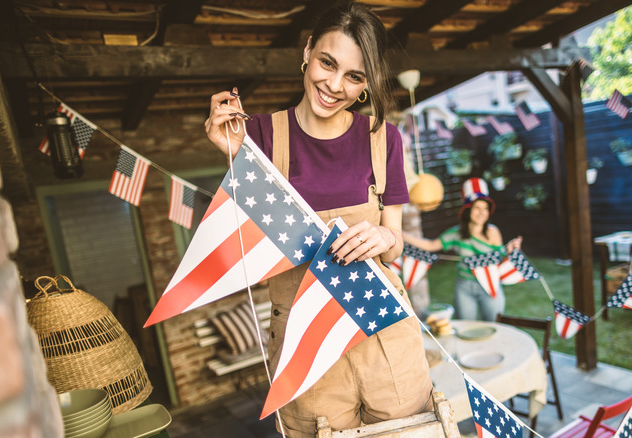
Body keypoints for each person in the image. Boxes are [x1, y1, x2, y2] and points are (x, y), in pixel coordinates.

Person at [204, 2, 433, 435]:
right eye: (327, 63)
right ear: (307, 51)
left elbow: (397, 240)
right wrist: (237, 159)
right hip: (304, 339)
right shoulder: (259, 136)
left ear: (366, 84)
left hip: (382, 327)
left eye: (354, 76)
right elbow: (249, 248)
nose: (334, 85)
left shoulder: (385, 139)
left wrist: (384, 239)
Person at [403, 178, 521, 321]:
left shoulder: (493, 232)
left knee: (495, 325)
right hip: (464, 286)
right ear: (468, 210)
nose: (481, 212)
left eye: (485, 208)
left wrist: (510, 250)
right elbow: (430, 245)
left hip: (490, 286)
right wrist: (400, 234)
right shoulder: (455, 234)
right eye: (477, 208)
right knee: (464, 325)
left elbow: (500, 258)